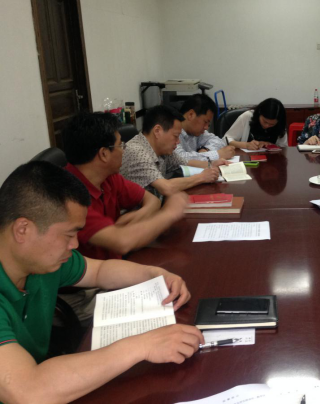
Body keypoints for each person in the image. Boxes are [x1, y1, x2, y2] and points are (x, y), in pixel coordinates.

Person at [0, 162, 204, 404]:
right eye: (68, 235)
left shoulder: (39, 259)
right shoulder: (42, 259)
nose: (75, 244)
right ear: (23, 229)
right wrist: (144, 345)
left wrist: (154, 274)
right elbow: (27, 391)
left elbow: (99, 271)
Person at [63, 112, 188, 261]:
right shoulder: (69, 197)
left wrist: (136, 217)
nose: (124, 150)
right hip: (94, 273)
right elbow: (122, 242)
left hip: (116, 262)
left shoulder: (108, 176)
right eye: (120, 145)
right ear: (104, 154)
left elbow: (152, 201)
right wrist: (170, 213)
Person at [120, 105, 224, 199]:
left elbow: (185, 162)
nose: (178, 142)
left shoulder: (161, 148)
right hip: (137, 212)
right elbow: (166, 187)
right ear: (157, 131)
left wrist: (211, 164)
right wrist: (201, 177)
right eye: (175, 136)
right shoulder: (137, 152)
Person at [174, 94, 236, 165]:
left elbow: (218, 141)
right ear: (191, 115)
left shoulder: (195, 131)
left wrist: (206, 149)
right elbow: (178, 159)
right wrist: (218, 154)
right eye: (205, 122)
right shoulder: (172, 131)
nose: (206, 127)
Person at [224, 98, 288, 150]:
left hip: (271, 160)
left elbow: (283, 147)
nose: (267, 126)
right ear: (259, 113)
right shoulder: (247, 117)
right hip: (245, 159)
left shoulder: (280, 124)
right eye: (265, 121)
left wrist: (270, 145)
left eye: (272, 124)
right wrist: (246, 145)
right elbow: (226, 140)